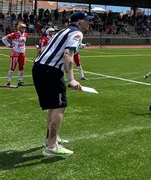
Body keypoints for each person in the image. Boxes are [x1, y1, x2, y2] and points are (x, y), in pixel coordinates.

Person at [32, 11, 93, 157]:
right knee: (60, 106)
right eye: (87, 20)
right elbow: (68, 54)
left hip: (40, 68)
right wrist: (71, 79)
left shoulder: (64, 31)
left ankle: (51, 139)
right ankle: (51, 146)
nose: (89, 23)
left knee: (53, 106)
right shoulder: (77, 33)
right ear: (79, 22)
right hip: (50, 70)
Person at [2, 22, 28, 86]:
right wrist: (8, 45)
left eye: (24, 28)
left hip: (22, 53)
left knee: (21, 67)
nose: (23, 29)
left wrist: (24, 50)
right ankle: (8, 81)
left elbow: (23, 43)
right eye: (22, 28)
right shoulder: (14, 34)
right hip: (15, 53)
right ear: (19, 28)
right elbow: (4, 39)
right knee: (12, 67)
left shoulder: (26, 34)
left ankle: (20, 80)